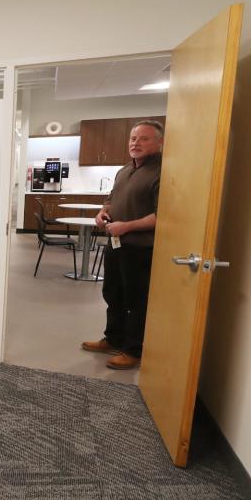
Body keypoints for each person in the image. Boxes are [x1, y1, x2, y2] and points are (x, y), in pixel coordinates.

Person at [82, 119, 164, 370]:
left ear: (160, 143)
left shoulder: (163, 172)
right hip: (116, 245)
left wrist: (126, 226)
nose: (136, 143)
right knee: (112, 293)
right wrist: (102, 213)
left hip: (140, 248)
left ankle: (133, 350)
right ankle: (113, 338)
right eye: (133, 138)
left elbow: (163, 215)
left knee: (136, 300)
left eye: (143, 138)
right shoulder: (124, 170)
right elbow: (110, 200)